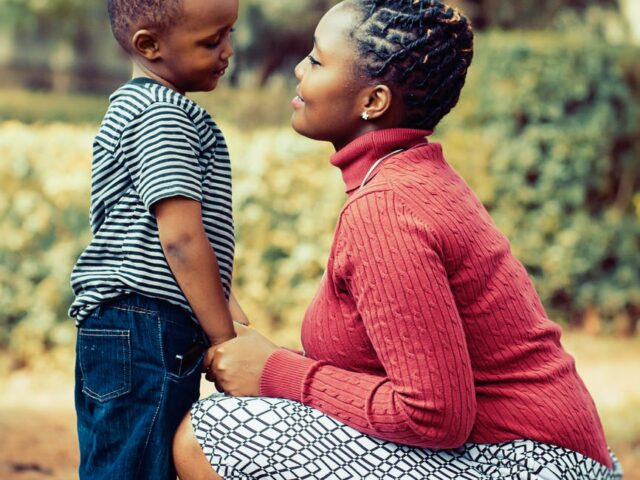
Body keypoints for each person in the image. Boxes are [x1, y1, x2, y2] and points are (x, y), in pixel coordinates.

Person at [173, 0, 623, 479]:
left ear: (374, 102)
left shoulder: (387, 208)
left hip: (531, 463)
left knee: (213, 434)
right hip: (537, 453)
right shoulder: (411, 179)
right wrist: (273, 361)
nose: (301, 68)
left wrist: (276, 371)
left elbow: (435, 414)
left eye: (319, 60)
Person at [69, 0, 246, 478]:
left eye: (229, 32)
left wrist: (231, 312)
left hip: (133, 326)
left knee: (130, 460)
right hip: (145, 326)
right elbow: (182, 242)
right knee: (136, 466)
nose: (228, 51)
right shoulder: (162, 115)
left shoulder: (142, 108)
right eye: (211, 41)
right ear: (149, 45)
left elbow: (176, 243)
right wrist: (224, 339)